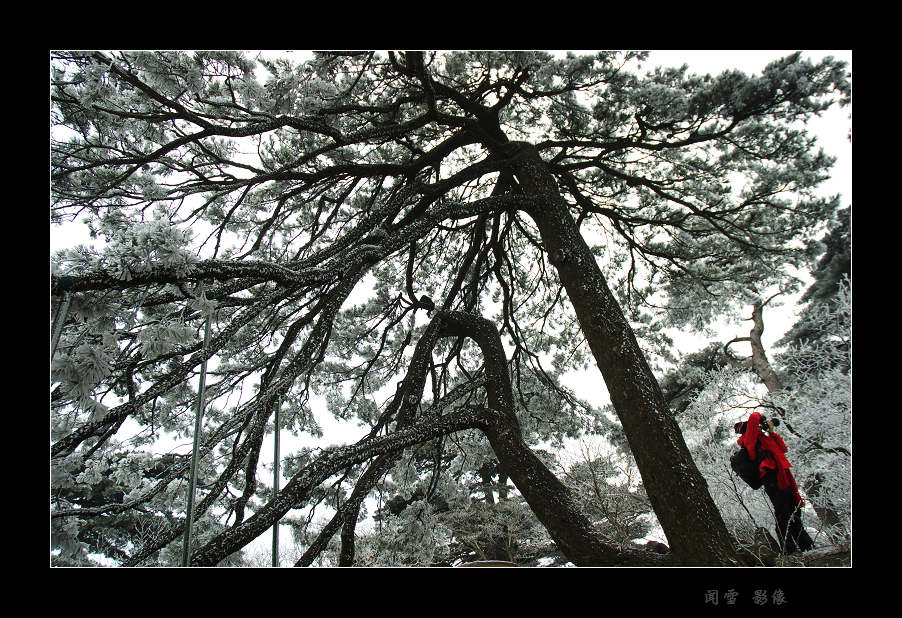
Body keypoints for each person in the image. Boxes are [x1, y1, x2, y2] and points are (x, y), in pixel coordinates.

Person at [736, 412, 814, 554]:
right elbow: (754, 418)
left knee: (794, 512)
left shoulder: (764, 440)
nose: (760, 428)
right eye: (757, 427)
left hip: (784, 477)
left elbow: (782, 448)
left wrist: (771, 432)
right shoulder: (748, 441)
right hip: (772, 480)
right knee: (783, 513)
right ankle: (788, 549)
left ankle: (807, 546)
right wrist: (761, 418)